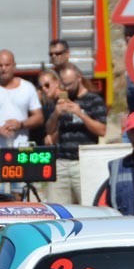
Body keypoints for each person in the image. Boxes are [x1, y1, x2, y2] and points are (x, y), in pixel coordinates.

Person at [0, 50, 44, 197]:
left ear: (14, 66)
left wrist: (21, 125)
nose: (3, 68)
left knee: (19, 197)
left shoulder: (27, 87)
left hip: (21, 152)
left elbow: (39, 117)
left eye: (7, 65)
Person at [45, 63, 107, 204]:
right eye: (64, 84)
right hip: (61, 162)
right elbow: (49, 131)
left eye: (70, 84)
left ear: (79, 78)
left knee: (87, 206)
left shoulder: (94, 100)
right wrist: (56, 113)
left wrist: (80, 114)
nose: (66, 88)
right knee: (58, 208)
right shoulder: (59, 101)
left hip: (83, 163)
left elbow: (102, 130)